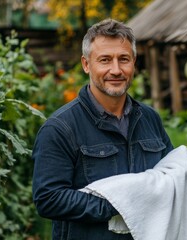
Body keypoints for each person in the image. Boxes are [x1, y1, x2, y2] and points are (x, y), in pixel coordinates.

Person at [32, 18, 174, 239]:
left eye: (124, 59)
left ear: (134, 63)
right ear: (86, 64)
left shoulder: (149, 118)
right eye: (105, 60)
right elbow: (49, 199)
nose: (116, 70)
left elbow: (169, 175)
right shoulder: (60, 128)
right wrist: (121, 203)